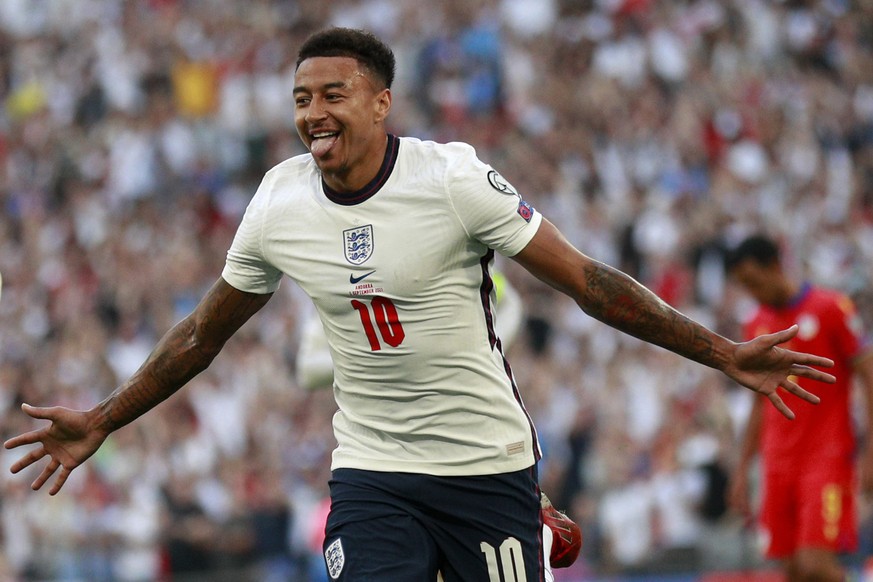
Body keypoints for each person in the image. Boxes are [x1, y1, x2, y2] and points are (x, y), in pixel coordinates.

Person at [4, 28, 835, 582]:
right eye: (300, 99)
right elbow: (201, 334)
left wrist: (721, 352)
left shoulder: (453, 180)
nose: (312, 115)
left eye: (332, 94)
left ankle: (532, 522)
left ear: (379, 102)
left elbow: (589, 283)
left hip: (485, 466)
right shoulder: (278, 202)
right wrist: (108, 416)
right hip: (372, 471)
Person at [725, 234, 873, 582]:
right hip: (777, 462)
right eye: (744, 286)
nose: (753, 293)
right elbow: (758, 403)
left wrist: (870, 452)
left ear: (775, 266)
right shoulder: (755, 325)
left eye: (754, 282)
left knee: (815, 565)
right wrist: (743, 468)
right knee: (792, 572)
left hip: (827, 457)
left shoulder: (831, 308)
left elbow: (868, 375)